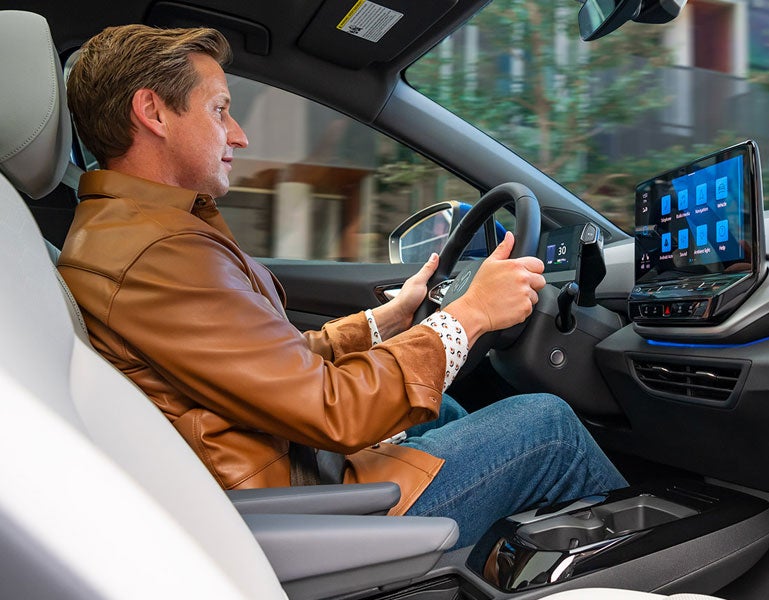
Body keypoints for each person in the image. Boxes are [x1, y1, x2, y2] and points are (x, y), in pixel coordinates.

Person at [59, 24, 626, 547]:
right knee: (546, 427)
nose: (239, 134)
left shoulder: (134, 233)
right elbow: (332, 409)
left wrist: (393, 318)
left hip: (295, 470)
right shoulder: (158, 254)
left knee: (447, 406)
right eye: (220, 109)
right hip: (309, 510)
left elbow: (266, 364)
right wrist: (471, 314)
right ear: (153, 112)